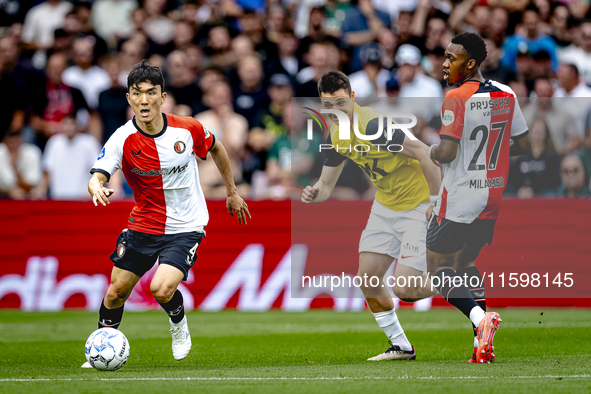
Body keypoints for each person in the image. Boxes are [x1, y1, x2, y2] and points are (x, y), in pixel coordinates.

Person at [81, 60, 250, 367]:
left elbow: (217, 148)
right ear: (130, 98)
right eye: (137, 94)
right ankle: (100, 350)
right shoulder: (121, 139)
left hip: (186, 224)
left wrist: (231, 191)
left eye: (151, 93)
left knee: (161, 288)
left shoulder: (187, 128)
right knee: (116, 292)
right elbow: (99, 173)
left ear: (162, 97)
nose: (144, 100)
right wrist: (96, 186)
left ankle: (179, 326)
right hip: (144, 224)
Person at [301, 71, 442, 361]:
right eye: (328, 105)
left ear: (352, 97)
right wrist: (315, 192)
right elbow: (326, 184)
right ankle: (401, 346)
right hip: (384, 206)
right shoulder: (336, 135)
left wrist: (437, 200)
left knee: (406, 289)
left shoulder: (375, 125)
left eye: (340, 102)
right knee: (368, 278)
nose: (335, 110)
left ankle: (455, 279)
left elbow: (425, 153)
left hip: (416, 203)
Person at [428, 33, 530, 364]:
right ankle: (480, 346)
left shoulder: (456, 97)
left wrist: (430, 149)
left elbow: (446, 152)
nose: (444, 64)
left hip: (458, 198)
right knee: (465, 265)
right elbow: (524, 144)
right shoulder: (507, 93)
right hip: (492, 197)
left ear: (470, 64)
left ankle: (479, 320)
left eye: (451, 58)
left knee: (437, 268)